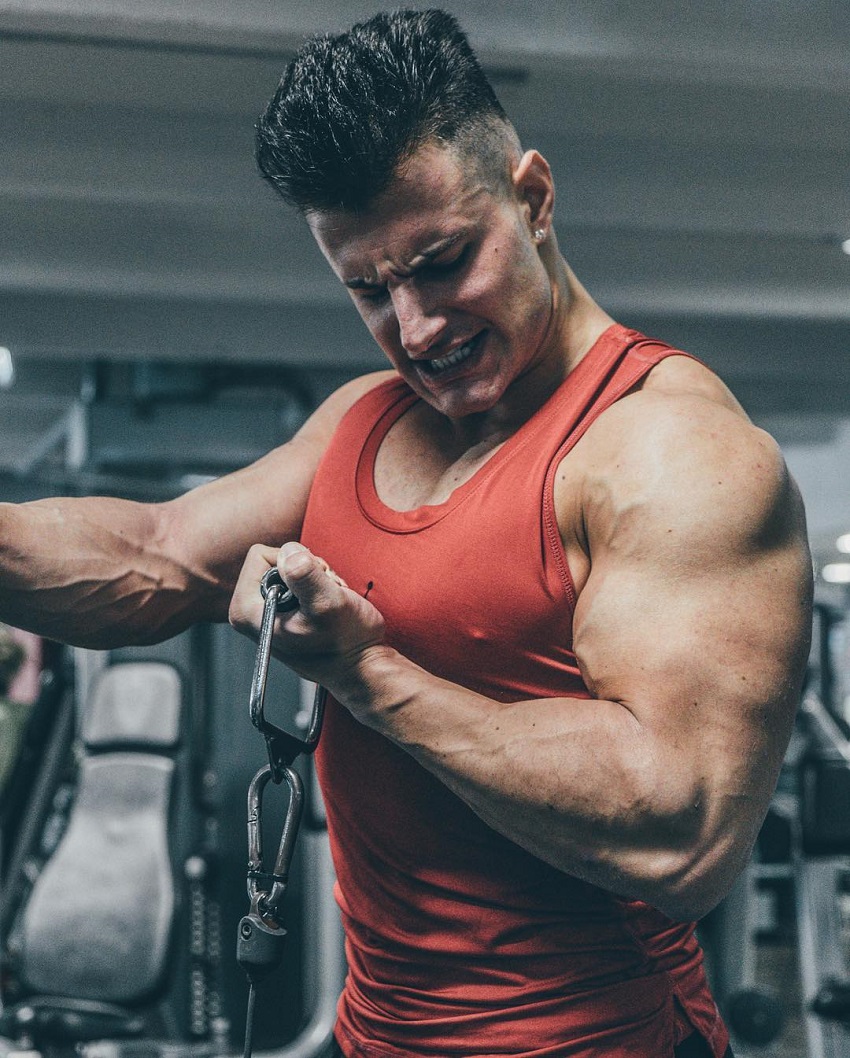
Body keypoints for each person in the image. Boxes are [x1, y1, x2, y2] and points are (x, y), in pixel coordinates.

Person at [0, 10, 812, 1057]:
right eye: (369, 287)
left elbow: (680, 828)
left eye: (440, 262)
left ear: (532, 196)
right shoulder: (363, 419)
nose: (415, 325)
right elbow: (155, 554)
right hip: (377, 1033)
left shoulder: (670, 450)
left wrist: (366, 673)